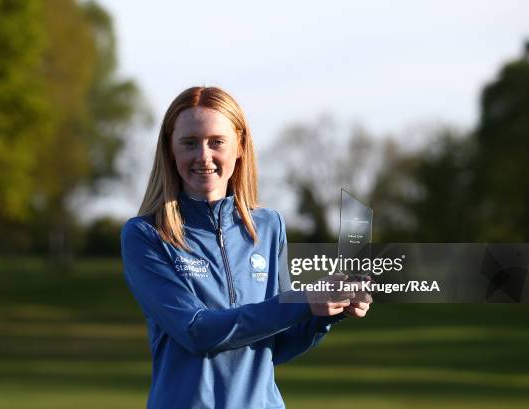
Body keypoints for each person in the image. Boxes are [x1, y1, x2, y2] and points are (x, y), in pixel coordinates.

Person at [121, 86, 371, 409]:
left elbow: (276, 344)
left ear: (239, 145)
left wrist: (329, 311)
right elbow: (196, 331)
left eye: (216, 142)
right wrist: (307, 301)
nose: (203, 156)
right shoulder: (145, 235)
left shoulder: (269, 226)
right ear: (170, 150)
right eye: (189, 143)